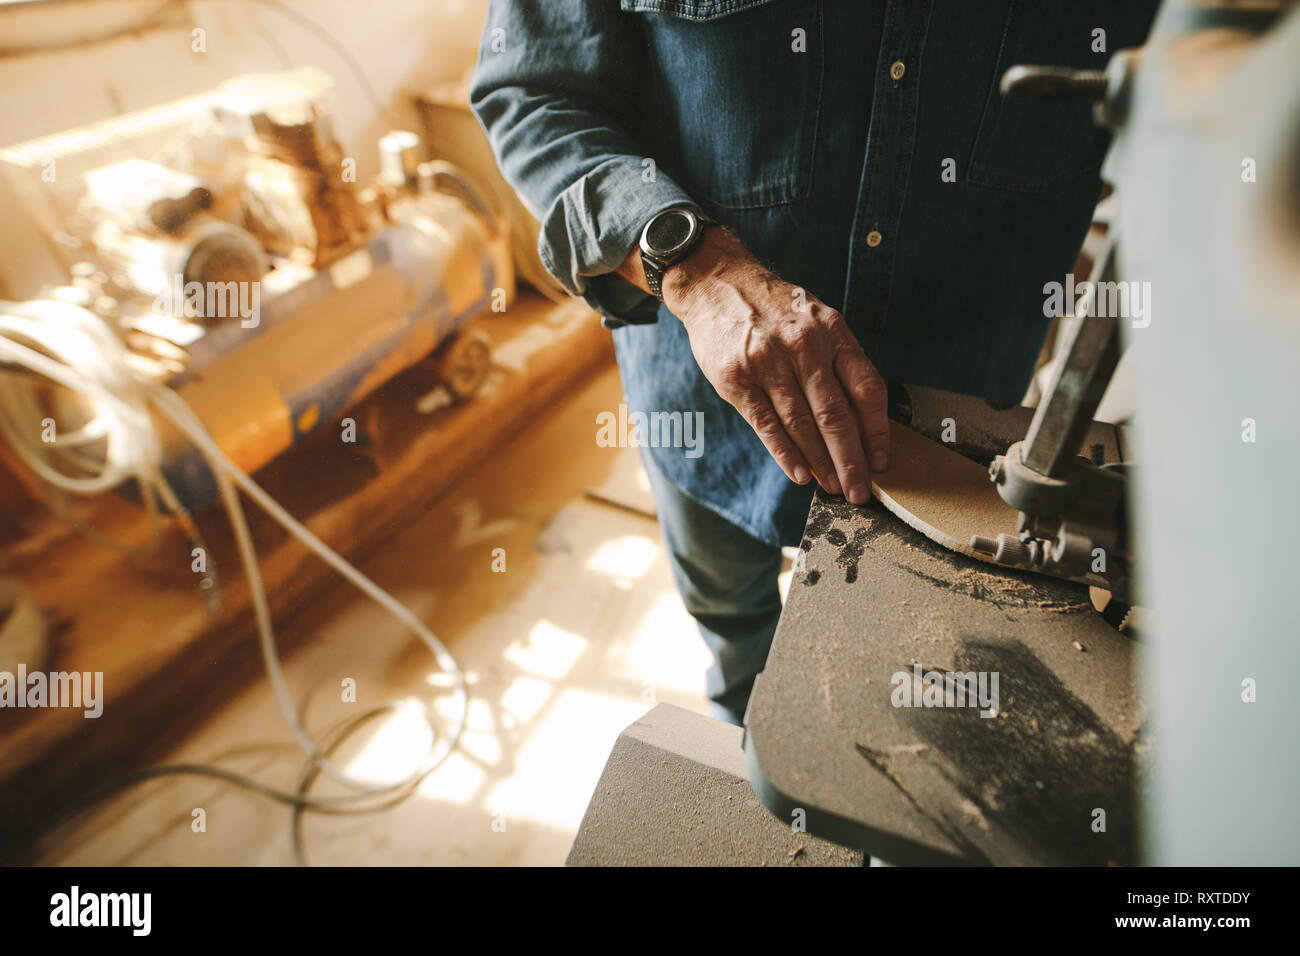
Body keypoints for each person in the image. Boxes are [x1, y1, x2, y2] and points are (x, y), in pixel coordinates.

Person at [470, 0, 1157, 725]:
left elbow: (1204, 104)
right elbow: (532, 91)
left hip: (960, 441)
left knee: (915, 699)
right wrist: (693, 269)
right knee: (739, 641)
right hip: (709, 414)